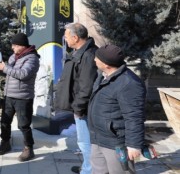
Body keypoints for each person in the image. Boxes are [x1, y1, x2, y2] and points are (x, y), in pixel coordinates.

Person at [88, 44, 146, 173]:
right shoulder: (103, 75)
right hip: (97, 138)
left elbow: (134, 116)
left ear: (107, 64)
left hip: (116, 143)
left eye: (97, 58)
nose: (94, 60)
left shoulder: (129, 83)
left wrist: (134, 145)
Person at [54, 23, 97, 174]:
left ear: (75, 37)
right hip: (80, 107)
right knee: (84, 142)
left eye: (66, 37)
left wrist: (78, 108)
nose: (65, 40)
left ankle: (89, 171)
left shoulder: (88, 55)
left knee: (86, 143)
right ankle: (87, 167)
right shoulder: (80, 52)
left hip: (84, 108)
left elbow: (86, 86)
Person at [0, 32, 40, 162]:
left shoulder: (32, 58)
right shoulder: (14, 56)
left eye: (15, 45)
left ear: (22, 46)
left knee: (24, 125)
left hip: (23, 97)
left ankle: (29, 149)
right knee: (5, 122)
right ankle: (5, 143)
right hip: (9, 95)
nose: (12, 48)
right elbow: (10, 73)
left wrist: (4, 67)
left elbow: (23, 74)